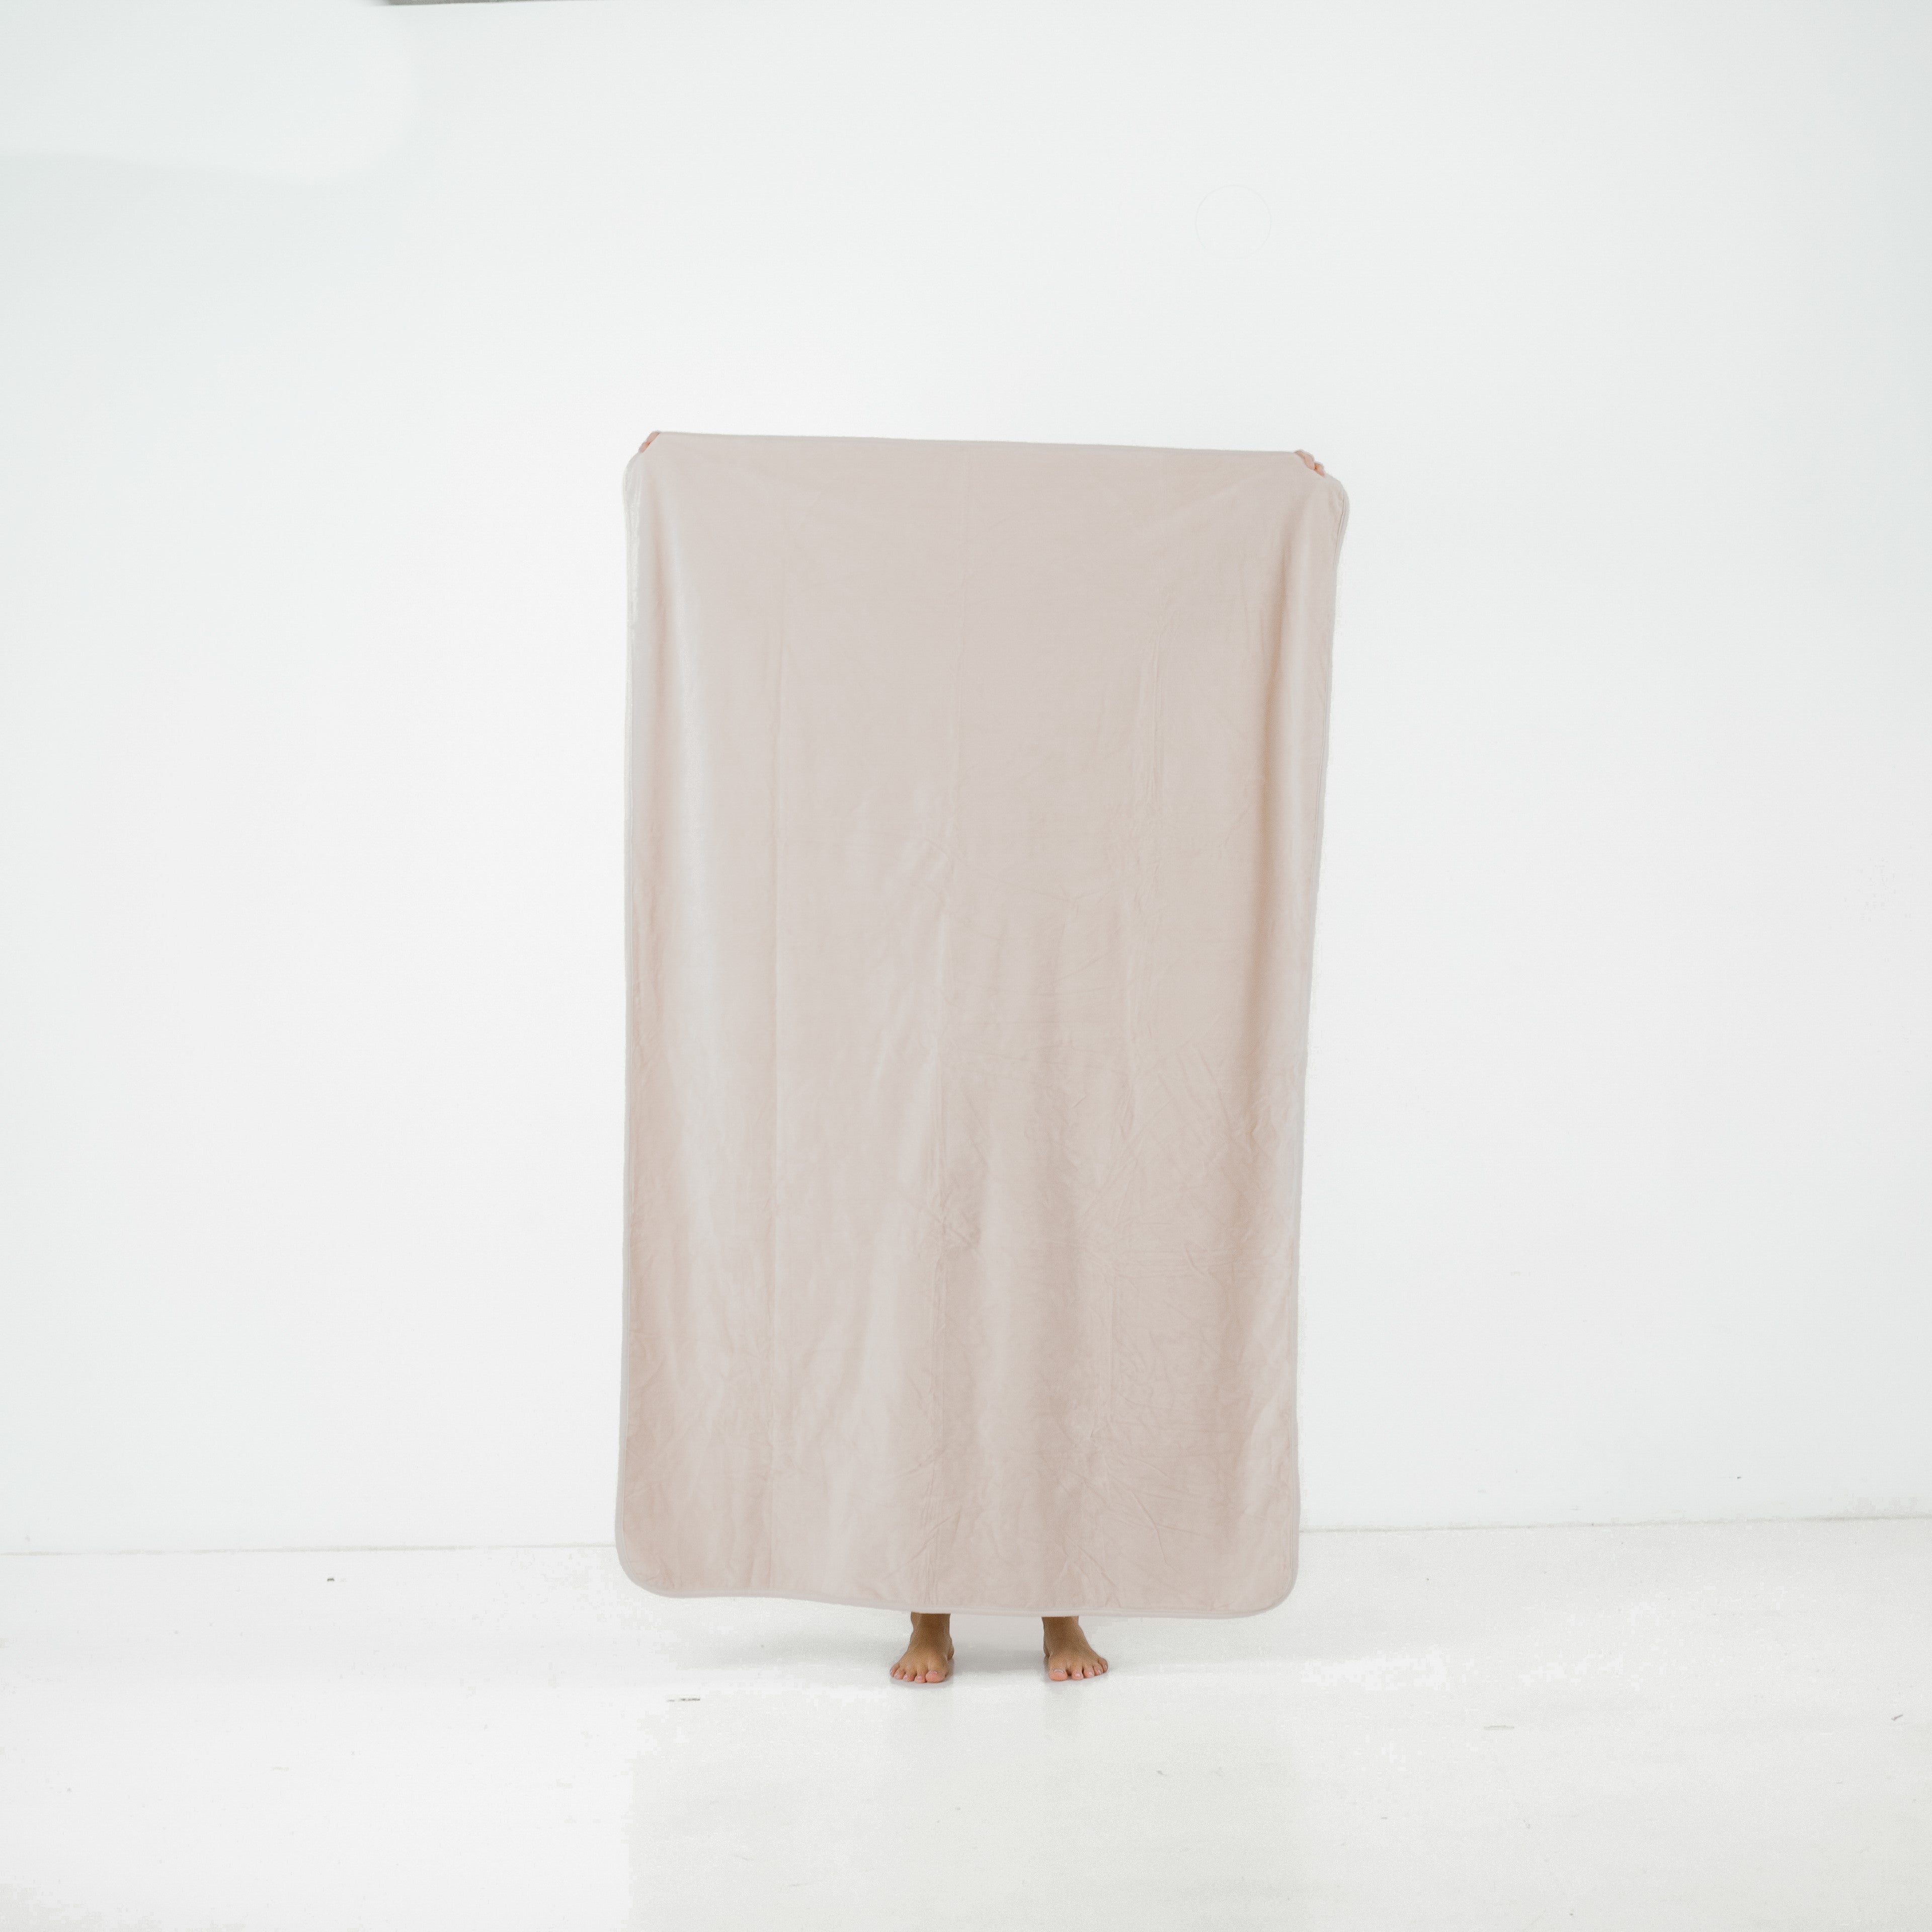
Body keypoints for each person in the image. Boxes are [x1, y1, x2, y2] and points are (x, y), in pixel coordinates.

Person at [889, 445, 1328, 1686]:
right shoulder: (931, 772)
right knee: (930, 1356)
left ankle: (1060, 1612)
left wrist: (1282, 501)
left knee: (1060, 1355)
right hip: (936, 1076)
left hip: (1065, 1066)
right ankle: (925, 1611)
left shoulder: (1086, 777)